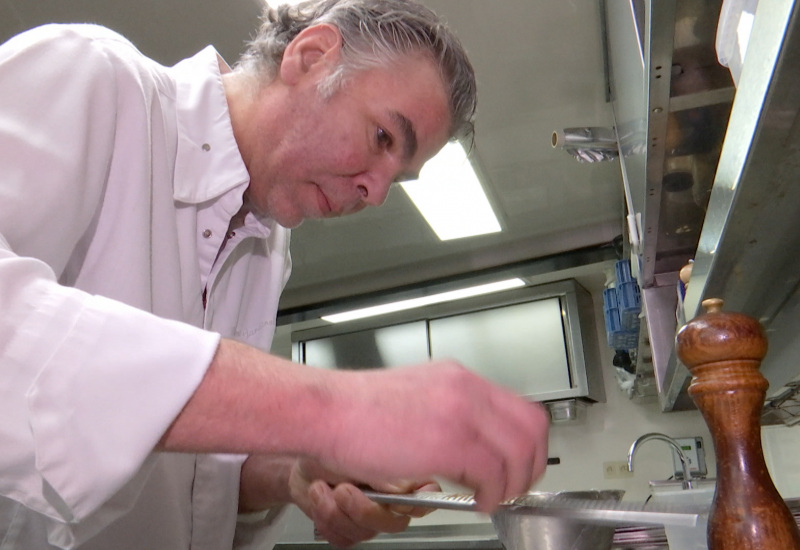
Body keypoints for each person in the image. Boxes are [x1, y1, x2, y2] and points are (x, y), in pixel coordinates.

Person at [0, 0, 550, 548]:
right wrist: (335, 408)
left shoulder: (269, 244)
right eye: (383, 137)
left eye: (397, 178)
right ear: (311, 56)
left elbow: (188, 475)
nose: (377, 193)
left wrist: (293, 477)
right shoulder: (91, 78)